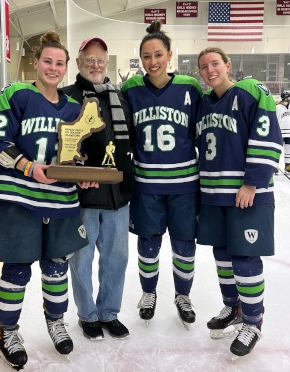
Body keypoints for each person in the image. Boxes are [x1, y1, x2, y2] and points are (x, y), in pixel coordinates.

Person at [0, 31, 94, 370]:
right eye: (47, 61)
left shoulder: (74, 107)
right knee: (16, 270)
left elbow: (74, 155)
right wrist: (28, 166)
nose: (53, 68)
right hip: (19, 198)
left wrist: (80, 173)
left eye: (60, 63)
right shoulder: (15, 95)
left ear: (66, 68)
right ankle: (6, 333)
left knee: (57, 268)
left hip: (60, 201)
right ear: (36, 63)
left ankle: (56, 322)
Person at [196, 47, 283, 357]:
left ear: (227, 65)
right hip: (214, 195)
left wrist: (252, 182)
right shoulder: (204, 104)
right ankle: (233, 307)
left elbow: (267, 135)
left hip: (247, 195)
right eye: (203, 66)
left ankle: (253, 320)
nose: (209, 70)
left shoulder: (249, 91)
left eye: (215, 63)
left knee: (245, 258)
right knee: (222, 256)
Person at [121, 20, 202, 329]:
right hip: (146, 185)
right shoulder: (130, 89)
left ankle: (183, 296)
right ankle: (148, 293)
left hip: (184, 185)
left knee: (184, 245)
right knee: (148, 244)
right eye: (146, 56)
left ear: (169, 55)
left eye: (158, 55)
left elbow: (201, 132)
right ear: (140, 59)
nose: (152, 62)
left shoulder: (189, 87)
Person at [62, 37, 134, 340]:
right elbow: (60, 148)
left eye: (100, 60)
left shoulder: (119, 99)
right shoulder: (66, 98)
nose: (95, 65)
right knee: (82, 257)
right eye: (89, 59)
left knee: (116, 257)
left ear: (107, 63)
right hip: (83, 196)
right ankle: (87, 314)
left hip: (118, 195)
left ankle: (109, 312)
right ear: (78, 63)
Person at [276, 91, 290, 173]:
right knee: (278, 150)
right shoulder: (277, 107)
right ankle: (275, 166)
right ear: (286, 98)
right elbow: (275, 120)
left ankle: (287, 165)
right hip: (280, 132)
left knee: (289, 150)